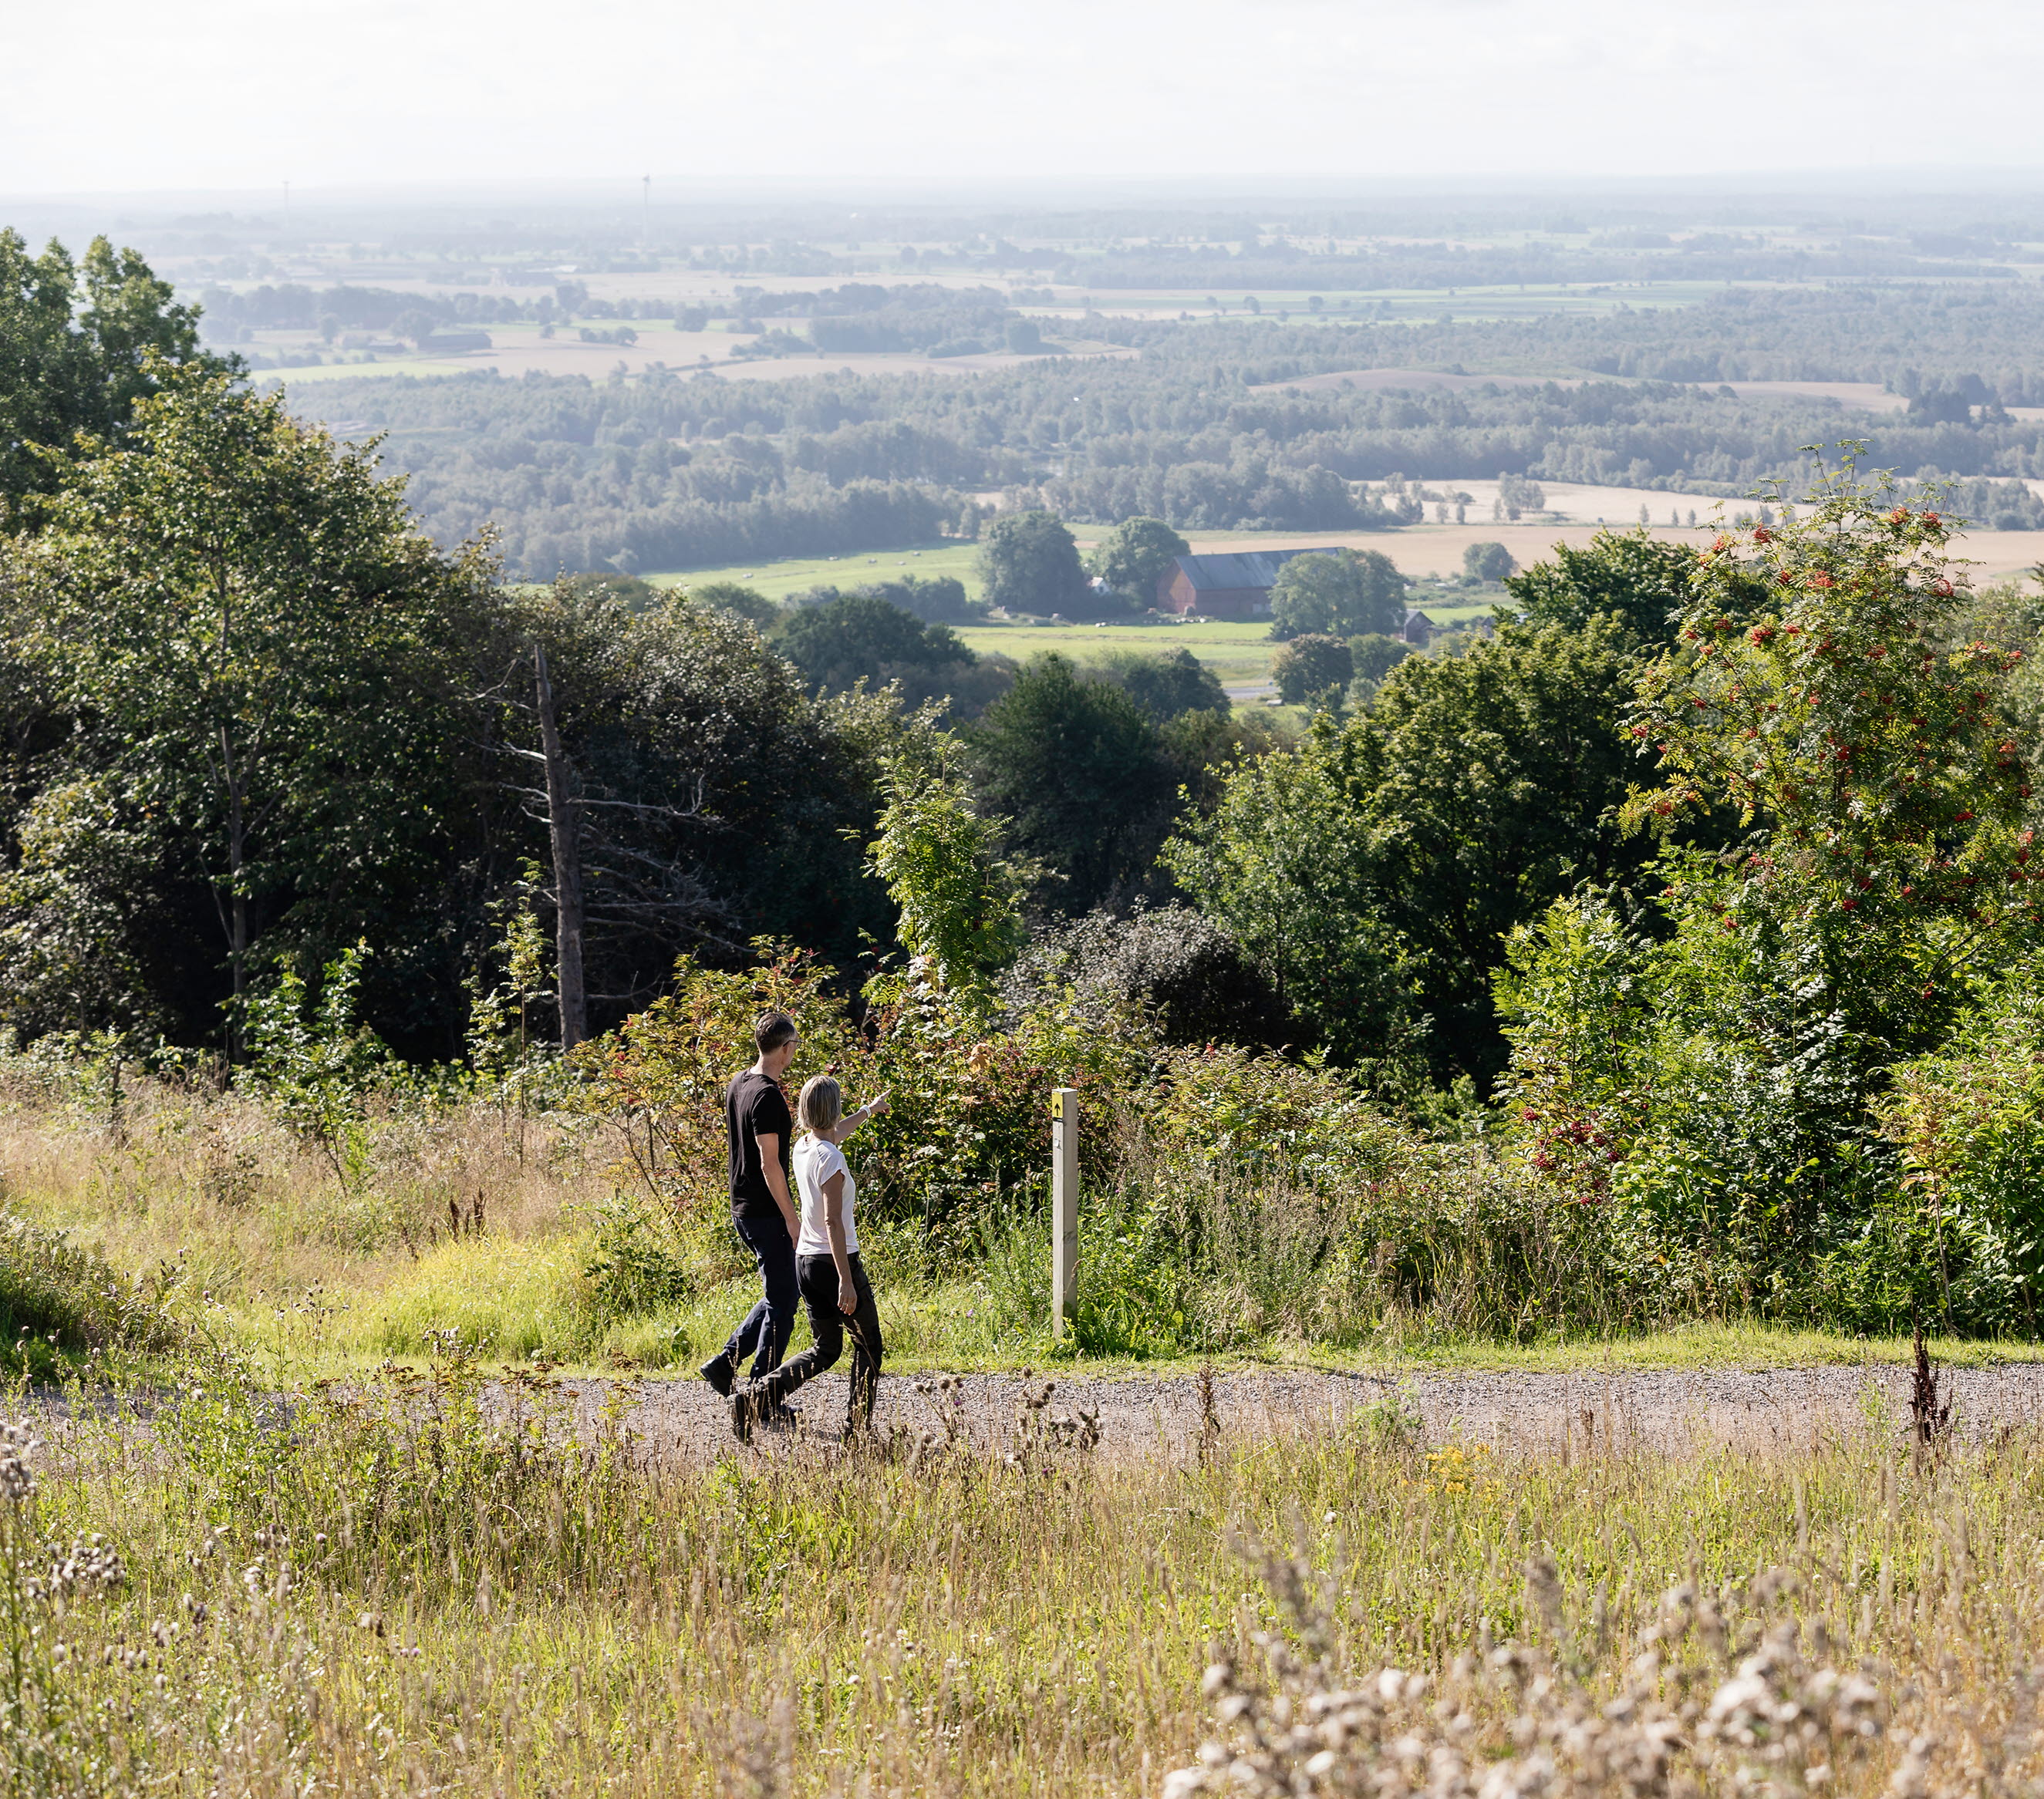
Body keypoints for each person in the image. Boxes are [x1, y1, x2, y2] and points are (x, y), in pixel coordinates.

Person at [733, 1073, 888, 1443]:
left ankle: (752, 1400)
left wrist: (869, 1110)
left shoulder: (804, 1147)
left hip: (805, 1261)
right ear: (832, 1111)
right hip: (835, 1263)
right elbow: (834, 1221)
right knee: (869, 1346)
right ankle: (857, 1430)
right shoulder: (831, 1160)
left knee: (826, 1348)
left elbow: (835, 1134)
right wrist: (846, 1280)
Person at [698, 1012, 801, 1403]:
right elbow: (768, 1162)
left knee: (779, 1293)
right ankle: (762, 1394)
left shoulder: (739, 1082)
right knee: (785, 1302)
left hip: (741, 1207)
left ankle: (725, 1364)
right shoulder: (768, 1096)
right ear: (786, 1048)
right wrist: (791, 1219)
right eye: (794, 1046)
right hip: (765, 1212)